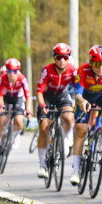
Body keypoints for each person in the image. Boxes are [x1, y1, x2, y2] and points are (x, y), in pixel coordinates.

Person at [70, 46, 102, 185]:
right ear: (90, 62)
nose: (101, 68)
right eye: (97, 64)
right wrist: (82, 102)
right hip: (85, 97)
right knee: (81, 131)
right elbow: (77, 95)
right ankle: (76, 170)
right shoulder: (83, 70)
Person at [35, 43, 77, 179]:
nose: (62, 60)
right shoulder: (47, 70)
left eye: (65, 57)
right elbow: (39, 92)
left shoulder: (72, 70)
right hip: (47, 97)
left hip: (62, 96)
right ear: (54, 58)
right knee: (44, 127)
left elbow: (78, 88)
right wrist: (42, 105)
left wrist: (80, 101)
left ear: (69, 58)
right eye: (59, 57)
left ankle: (62, 140)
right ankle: (42, 165)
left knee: (69, 117)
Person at [0, 58, 31, 154]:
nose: (12, 74)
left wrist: (28, 110)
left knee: (19, 121)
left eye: (15, 71)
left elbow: (27, 96)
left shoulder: (22, 79)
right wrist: (1, 106)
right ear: (6, 71)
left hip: (18, 98)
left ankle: (15, 136)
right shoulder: (1, 78)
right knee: (1, 121)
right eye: (10, 71)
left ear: (18, 71)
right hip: (6, 98)